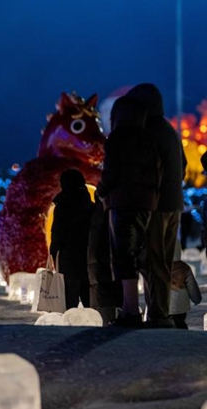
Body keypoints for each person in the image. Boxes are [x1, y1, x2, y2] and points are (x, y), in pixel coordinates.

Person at [96, 95, 160, 326]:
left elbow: (111, 173)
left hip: (122, 202)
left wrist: (100, 191)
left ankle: (130, 311)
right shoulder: (148, 139)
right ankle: (149, 307)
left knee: (123, 256)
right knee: (142, 255)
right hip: (147, 203)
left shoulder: (117, 138)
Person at [126, 83, 184, 328]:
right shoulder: (168, 130)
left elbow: (145, 170)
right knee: (163, 260)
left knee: (154, 260)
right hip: (173, 203)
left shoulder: (148, 131)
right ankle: (159, 312)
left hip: (156, 205)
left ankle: (159, 314)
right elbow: (182, 165)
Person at [50, 169, 94, 310]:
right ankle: (93, 326)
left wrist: (53, 251)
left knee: (69, 300)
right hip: (89, 256)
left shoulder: (63, 206)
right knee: (89, 300)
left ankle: (69, 328)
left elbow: (58, 233)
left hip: (69, 258)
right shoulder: (91, 206)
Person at [87, 193, 123, 326]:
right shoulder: (111, 213)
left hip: (97, 265)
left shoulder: (95, 211)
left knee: (103, 302)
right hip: (107, 264)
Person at [169, 249, 201, 329]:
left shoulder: (158, 267)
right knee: (180, 324)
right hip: (180, 306)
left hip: (162, 305)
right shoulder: (184, 267)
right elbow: (192, 286)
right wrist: (197, 299)